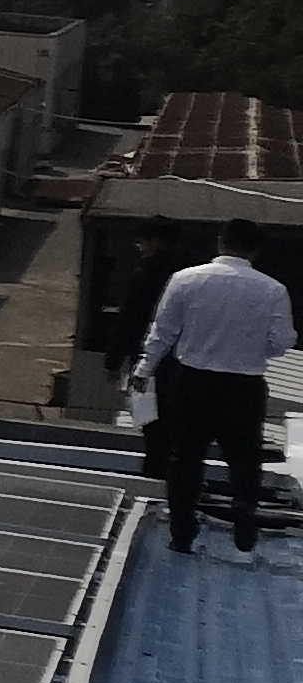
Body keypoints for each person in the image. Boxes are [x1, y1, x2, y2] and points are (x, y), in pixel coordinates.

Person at [134, 235, 295, 554]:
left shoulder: (186, 279)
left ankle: (182, 532)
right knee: (245, 456)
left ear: (220, 243)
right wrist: (252, 349)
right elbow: (282, 340)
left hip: (193, 379)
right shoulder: (273, 289)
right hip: (244, 384)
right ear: (255, 249)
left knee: (186, 457)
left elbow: (163, 330)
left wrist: (144, 369)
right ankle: (244, 506)